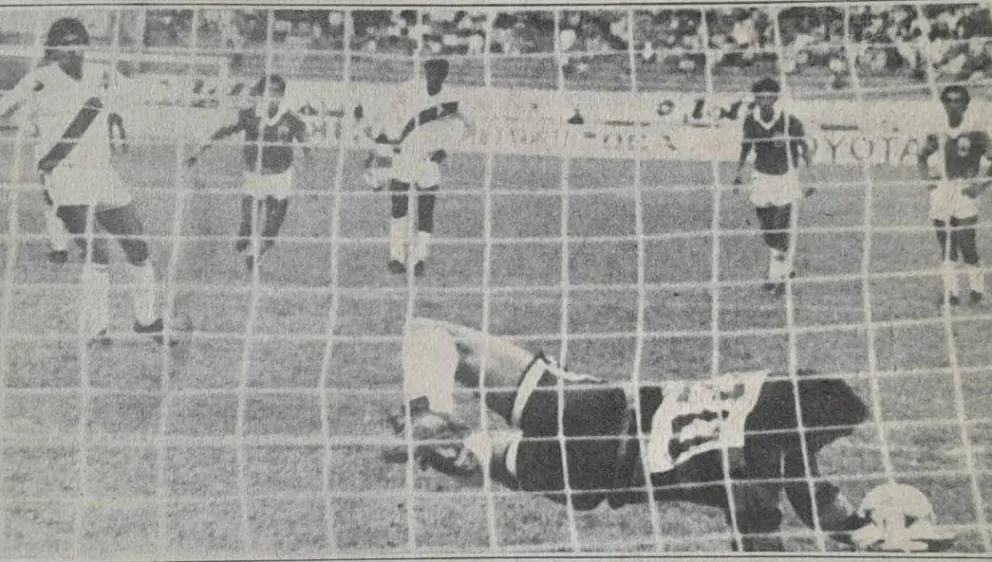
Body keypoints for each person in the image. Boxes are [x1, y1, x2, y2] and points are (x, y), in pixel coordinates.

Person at [384, 317, 876, 552]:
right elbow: (802, 507)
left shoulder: (758, 392)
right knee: (479, 460)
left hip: (596, 413)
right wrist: (863, 531)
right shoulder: (772, 467)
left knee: (435, 336)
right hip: (594, 482)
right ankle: (455, 448)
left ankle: (430, 413)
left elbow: (809, 491)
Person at [0, 17, 168, 344]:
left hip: (103, 175)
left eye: (78, 40)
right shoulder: (38, 81)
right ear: (52, 47)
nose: (72, 48)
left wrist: (159, 87)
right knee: (97, 252)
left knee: (138, 248)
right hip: (65, 178)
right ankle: (96, 330)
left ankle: (146, 320)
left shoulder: (100, 74)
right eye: (64, 41)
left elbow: (138, 89)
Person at [187, 73, 310, 272]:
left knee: (272, 230)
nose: (273, 97)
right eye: (268, 92)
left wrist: (311, 172)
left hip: (281, 178)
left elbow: (307, 145)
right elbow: (224, 130)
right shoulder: (249, 115)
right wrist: (200, 150)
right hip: (255, 177)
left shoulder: (291, 118)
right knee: (249, 219)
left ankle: (255, 253)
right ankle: (246, 232)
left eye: (277, 92)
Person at [366, 58, 470, 277]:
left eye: (437, 75)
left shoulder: (452, 99)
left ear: (444, 76)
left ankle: (419, 258)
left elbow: (462, 126)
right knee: (398, 207)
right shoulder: (410, 91)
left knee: (425, 211)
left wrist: (446, 150)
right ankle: (396, 257)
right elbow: (397, 117)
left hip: (427, 162)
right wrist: (389, 141)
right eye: (429, 73)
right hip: (404, 157)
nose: (432, 78)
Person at [733, 77, 811, 296]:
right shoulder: (751, 121)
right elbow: (746, 146)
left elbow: (805, 147)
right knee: (768, 230)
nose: (764, 100)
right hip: (761, 178)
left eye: (769, 96)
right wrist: (739, 172)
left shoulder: (789, 121)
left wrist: (811, 175)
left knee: (780, 226)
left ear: (776, 97)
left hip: (785, 178)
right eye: (760, 96)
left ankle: (776, 275)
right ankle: (782, 268)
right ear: (756, 98)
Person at [918, 84, 991, 306]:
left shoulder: (976, 133)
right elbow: (921, 156)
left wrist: (981, 186)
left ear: (966, 104)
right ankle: (951, 294)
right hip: (942, 191)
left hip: (964, 191)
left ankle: (977, 291)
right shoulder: (938, 131)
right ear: (943, 104)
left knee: (966, 242)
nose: (953, 104)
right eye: (948, 100)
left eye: (958, 100)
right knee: (946, 244)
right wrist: (928, 181)